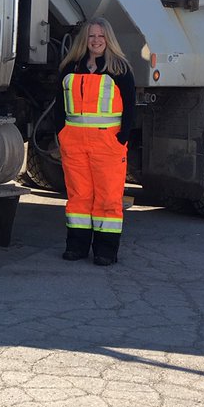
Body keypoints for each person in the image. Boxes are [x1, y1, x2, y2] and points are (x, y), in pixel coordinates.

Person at [52, 17, 136, 266]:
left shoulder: (120, 69)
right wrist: (61, 133)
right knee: (79, 196)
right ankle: (76, 247)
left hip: (108, 143)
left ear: (108, 39)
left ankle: (106, 251)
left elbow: (130, 108)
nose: (96, 41)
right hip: (74, 143)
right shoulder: (70, 67)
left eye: (101, 36)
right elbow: (59, 106)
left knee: (108, 198)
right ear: (84, 40)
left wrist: (122, 138)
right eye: (91, 36)